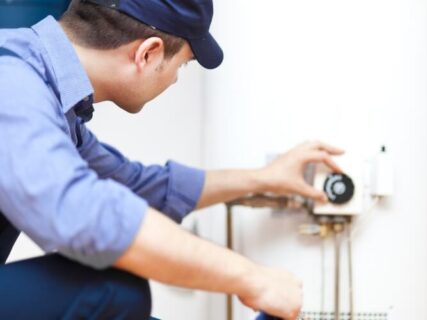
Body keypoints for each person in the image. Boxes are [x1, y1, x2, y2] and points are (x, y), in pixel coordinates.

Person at [0, 0, 344, 319]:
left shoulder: (52, 99)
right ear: (148, 54)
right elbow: (86, 214)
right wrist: (253, 279)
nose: (176, 78)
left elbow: (136, 187)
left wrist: (264, 178)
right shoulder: (13, 79)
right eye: (182, 65)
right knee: (113, 289)